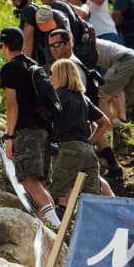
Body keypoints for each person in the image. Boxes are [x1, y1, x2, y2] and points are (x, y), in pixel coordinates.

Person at [0, 27, 63, 229]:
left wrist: (9, 138)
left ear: (5, 46)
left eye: (1, 46)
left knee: (27, 179)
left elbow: (13, 104)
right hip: (44, 131)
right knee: (40, 183)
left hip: (26, 132)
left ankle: (56, 223)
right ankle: (49, 230)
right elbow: (20, 88)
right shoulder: (32, 65)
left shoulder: (11, 68)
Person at [48, 29, 122, 181]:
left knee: (64, 186)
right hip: (85, 127)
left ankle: (112, 164)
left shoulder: (70, 67)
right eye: (50, 45)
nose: (53, 48)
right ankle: (112, 165)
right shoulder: (72, 64)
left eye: (57, 44)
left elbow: (74, 98)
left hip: (75, 136)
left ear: (69, 44)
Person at [49, 59, 110, 215]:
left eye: (52, 73)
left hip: (68, 147)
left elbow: (46, 117)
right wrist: (89, 143)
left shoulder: (58, 95)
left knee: (55, 193)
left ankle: (56, 229)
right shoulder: (83, 98)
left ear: (59, 75)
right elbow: (105, 123)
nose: (50, 77)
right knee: (92, 200)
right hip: (89, 153)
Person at [8, 0, 43, 65]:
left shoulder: (28, 10)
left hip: (38, 65)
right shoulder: (36, 8)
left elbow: (27, 40)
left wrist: (23, 66)